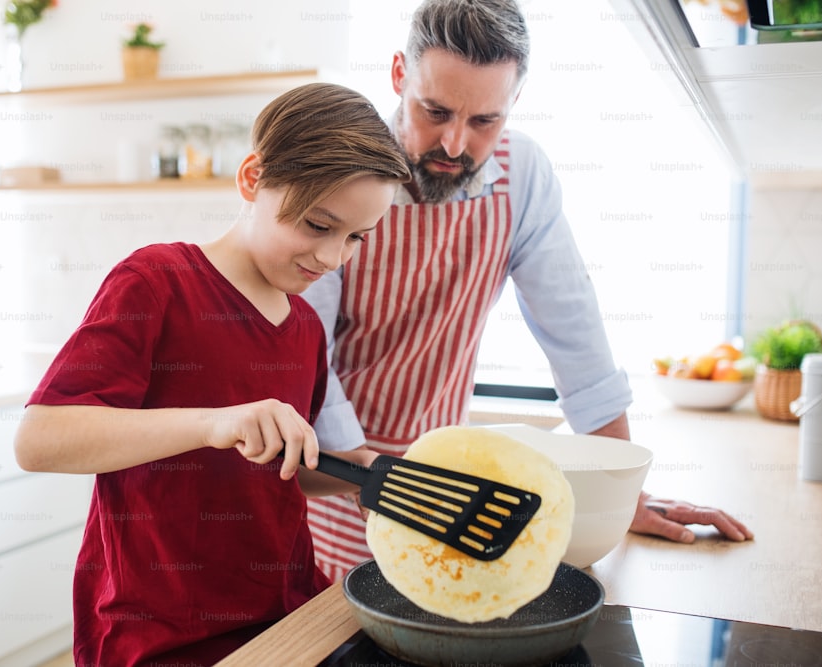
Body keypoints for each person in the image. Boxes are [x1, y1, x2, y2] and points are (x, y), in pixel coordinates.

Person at [303, 0, 754, 581]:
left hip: (445, 482)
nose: (454, 144)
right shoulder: (345, 172)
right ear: (398, 75)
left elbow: (577, 339)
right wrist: (370, 470)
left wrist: (624, 494)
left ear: (514, 103)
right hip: (338, 473)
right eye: (434, 111)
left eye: (484, 121)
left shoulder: (524, 178)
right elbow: (308, 352)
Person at [13, 82, 410, 666]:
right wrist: (211, 423)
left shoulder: (304, 327)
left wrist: (366, 472)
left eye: (355, 237)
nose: (333, 258)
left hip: (285, 612)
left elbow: (283, 470)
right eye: (317, 225)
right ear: (253, 179)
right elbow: (39, 441)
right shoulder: (156, 282)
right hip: (159, 634)